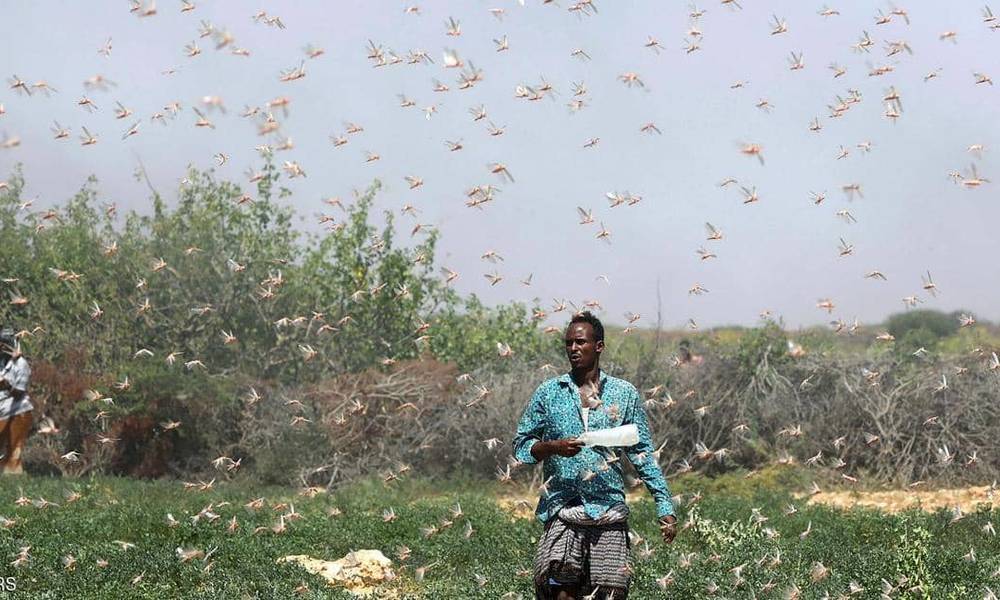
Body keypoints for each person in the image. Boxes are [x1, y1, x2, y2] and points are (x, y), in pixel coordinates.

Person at [513, 311, 677, 600]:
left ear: (598, 346)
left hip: (608, 511)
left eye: (580, 342)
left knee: (609, 594)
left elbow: (641, 454)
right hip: (562, 509)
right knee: (560, 592)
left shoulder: (624, 394)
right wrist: (553, 447)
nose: (573, 349)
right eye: (568, 343)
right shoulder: (550, 392)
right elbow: (522, 447)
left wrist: (664, 505)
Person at [0, 328, 32, 475]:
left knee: (13, 451)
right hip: (2, 409)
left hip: (16, 411)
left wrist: (6, 385)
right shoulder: (3, 363)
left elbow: (19, 392)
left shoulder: (21, 365)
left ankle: (13, 476)